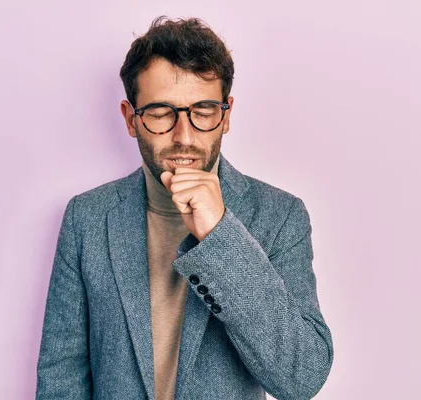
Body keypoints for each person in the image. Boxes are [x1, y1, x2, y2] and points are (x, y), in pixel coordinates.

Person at [35, 16, 333, 400]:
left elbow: (302, 377)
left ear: (225, 115)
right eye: (161, 113)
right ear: (131, 119)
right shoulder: (87, 217)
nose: (184, 136)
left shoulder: (279, 216)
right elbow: (61, 375)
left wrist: (220, 235)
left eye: (203, 111)